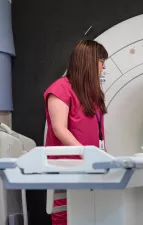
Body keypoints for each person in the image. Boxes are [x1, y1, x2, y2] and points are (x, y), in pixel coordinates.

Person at [43, 40, 108, 225]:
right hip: (66, 166)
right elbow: (59, 129)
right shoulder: (60, 89)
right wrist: (85, 153)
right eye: (101, 60)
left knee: (91, 212)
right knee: (66, 214)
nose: (104, 66)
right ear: (89, 60)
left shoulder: (91, 94)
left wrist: (98, 157)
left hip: (90, 165)